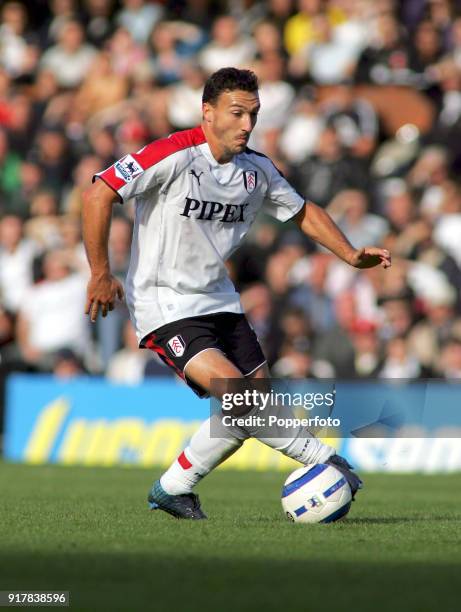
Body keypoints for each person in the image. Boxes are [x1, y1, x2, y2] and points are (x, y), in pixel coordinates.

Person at [82, 67, 391, 519]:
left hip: (220, 299)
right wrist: (100, 272)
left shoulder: (257, 170)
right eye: (237, 113)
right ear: (207, 113)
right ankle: (323, 460)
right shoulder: (173, 154)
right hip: (164, 301)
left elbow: (303, 211)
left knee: (250, 406)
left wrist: (349, 254)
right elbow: (99, 193)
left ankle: (173, 487)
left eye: (254, 114)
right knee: (243, 396)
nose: (247, 124)